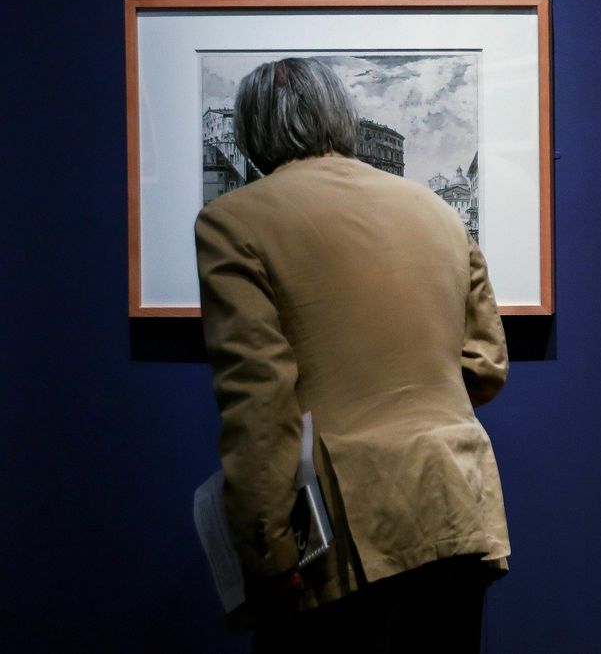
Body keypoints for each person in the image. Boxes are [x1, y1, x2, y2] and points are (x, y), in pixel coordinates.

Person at [195, 58, 509, 653]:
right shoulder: (437, 212)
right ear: (342, 120)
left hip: (345, 533)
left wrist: (268, 549)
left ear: (251, 132)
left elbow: (258, 402)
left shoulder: (232, 221)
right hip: (458, 504)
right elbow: (486, 368)